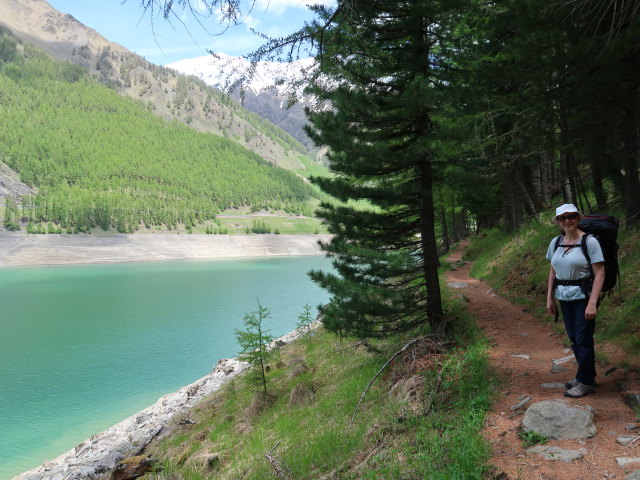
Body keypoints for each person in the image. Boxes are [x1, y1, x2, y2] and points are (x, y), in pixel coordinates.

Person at [546, 204, 605, 398]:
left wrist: (592, 302)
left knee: (583, 339)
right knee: (573, 338)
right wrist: (549, 298)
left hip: (583, 297)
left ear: (578, 218)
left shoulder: (590, 241)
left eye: (571, 216)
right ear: (558, 222)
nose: (567, 221)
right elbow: (553, 271)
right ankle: (585, 376)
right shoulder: (556, 242)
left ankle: (586, 381)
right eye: (562, 218)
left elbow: (599, 274)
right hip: (563, 297)